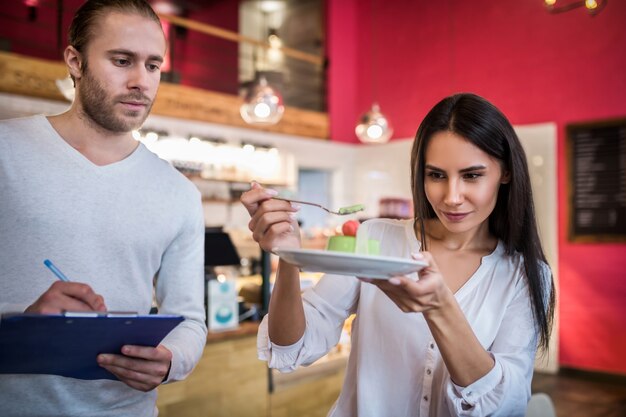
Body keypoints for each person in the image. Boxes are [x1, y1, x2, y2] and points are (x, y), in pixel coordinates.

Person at [241, 93, 555, 417]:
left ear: (505, 172)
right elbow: (292, 345)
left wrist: (439, 308)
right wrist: (290, 255)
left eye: (472, 176)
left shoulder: (525, 276)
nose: (452, 197)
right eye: (436, 175)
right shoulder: (374, 237)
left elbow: (505, 405)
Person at [0, 1, 207, 416]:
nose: (140, 82)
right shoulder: (6, 152)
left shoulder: (179, 192)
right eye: (122, 60)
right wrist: (21, 325)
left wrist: (169, 361)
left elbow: (189, 320)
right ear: (75, 61)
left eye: (153, 66)